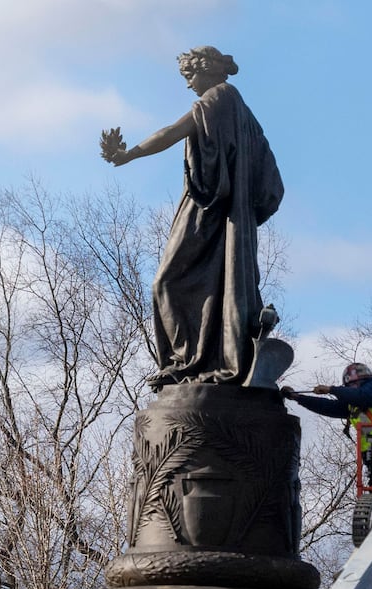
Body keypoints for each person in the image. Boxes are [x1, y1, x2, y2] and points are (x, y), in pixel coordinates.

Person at [103, 46, 284, 388]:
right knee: (209, 286)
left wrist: (130, 154)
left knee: (166, 282)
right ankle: (196, 360)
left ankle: (185, 361)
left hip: (212, 211)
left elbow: (173, 131)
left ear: (209, 70)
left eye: (190, 75)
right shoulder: (241, 111)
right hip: (222, 212)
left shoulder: (220, 98)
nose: (188, 85)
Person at [282, 363, 372, 487]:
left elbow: (361, 396)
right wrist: (298, 397)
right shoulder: (355, 404)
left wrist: (331, 389)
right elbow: (327, 406)